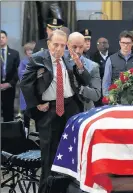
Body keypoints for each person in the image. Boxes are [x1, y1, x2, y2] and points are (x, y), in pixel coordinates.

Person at [19, 30, 87, 193]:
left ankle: (67, 188)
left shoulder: (67, 58)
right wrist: (36, 104)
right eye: (55, 44)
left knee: (71, 153)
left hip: (70, 108)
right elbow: (25, 83)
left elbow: (81, 80)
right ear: (49, 43)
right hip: (49, 110)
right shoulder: (38, 58)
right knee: (49, 156)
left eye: (62, 45)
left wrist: (79, 66)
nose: (58, 48)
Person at [65, 32, 102, 111]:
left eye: (81, 47)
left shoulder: (92, 66)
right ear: (67, 45)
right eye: (74, 47)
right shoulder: (60, 59)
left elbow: (96, 95)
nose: (77, 51)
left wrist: (80, 88)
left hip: (83, 109)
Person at [102, 30, 133, 96]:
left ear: (132, 43)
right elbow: (106, 81)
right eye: (123, 43)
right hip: (116, 97)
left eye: (128, 43)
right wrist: (107, 98)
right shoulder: (111, 59)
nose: (125, 45)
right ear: (119, 43)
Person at [1, 30, 20, 122]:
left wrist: (10, 84)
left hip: (9, 87)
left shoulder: (14, 53)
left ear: (6, 39)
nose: (1, 39)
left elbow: (18, 71)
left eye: (2, 37)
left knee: (8, 113)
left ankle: (8, 134)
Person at [18, 41, 36, 129]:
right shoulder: (23, 62)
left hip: (36, 90)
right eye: (28, 50)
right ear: (25, 52)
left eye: (32, 50)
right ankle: (26, 130)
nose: (30, 52)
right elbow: (21, 75)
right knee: (26, 113)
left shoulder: (38, 60)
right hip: (26, 91)